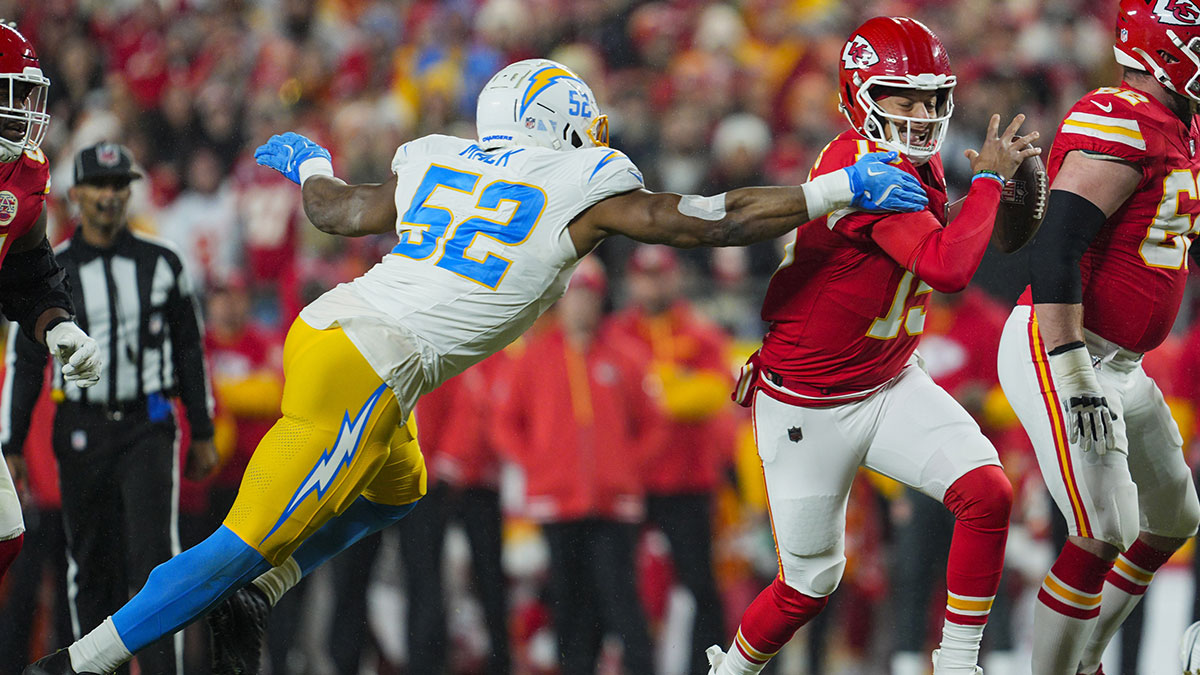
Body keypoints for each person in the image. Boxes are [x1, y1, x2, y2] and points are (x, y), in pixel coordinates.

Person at [24, 57, 927, 675]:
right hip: (373, 365)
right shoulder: (586, 181)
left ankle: (263, 587)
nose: (597, 134)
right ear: (557, 121)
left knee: (399, 487)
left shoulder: (437, 155)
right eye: (585, 121)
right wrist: (834, 188)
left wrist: (311, 162)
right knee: (235, 545)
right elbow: (710, 219)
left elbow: (337, 212)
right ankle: (81, 659)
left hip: (343, 339)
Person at [706, 17, 1039, 675]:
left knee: (987, 491)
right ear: (860, 93)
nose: (920, 114)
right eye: (901, 97)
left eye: (931, 98)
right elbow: (946, 268)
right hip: (808, 405)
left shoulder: (913, 161)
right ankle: (732, 671)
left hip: (887, 381)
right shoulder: (859, 169)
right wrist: (992, 185)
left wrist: (995, 199)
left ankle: (958, 662)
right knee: (809, 583)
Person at [994, 2, 1200, 673]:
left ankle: (1084, 656)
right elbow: (1056, 245)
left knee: (1173, 515)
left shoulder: (1181, 124)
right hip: (1066, 346)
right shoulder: (1122, 114)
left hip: (1124, 363)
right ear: (1166, 49)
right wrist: (1074, 368)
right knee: (1099, 530)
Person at [7, 141, 218, 675]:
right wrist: (11, 443)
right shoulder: (51, 270)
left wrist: (203, 429)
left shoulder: (164, 263)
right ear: (75, 194)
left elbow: (190, 350)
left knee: (156, 567)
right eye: (99, 185)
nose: (109, 196)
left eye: (120, 185)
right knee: (91, 569)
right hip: (81, 428)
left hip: (148, 427)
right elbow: (27, 362)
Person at [494, 257, 658, 674]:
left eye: (588, 295)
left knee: (621, 603)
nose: (580, 304)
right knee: (569, 605)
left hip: (614, 504)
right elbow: (504, 422)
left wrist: (628, 468)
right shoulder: (534, 358)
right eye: (572, 295)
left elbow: (656, 423)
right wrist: (538, 464)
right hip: (557, 503)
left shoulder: (626, 356)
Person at [0, 22, 101, 587]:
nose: (19, 111)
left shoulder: (20, 175)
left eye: (23, 94)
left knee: (6, 534)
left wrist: (57, 326)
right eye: (5, 93)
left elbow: (29, 273)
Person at [605, 244, 732, 675]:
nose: (654, 283)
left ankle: (706, 669)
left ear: (676, 277)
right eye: (645, 274)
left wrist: (656, 393)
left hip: (688, 481)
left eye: (661, 274)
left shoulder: (701, 334)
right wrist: (674, 388)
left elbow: (716, 392)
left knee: (700, 585)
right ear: (633, 280)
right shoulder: (616, 334)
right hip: (630, 482)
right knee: (620, 585)